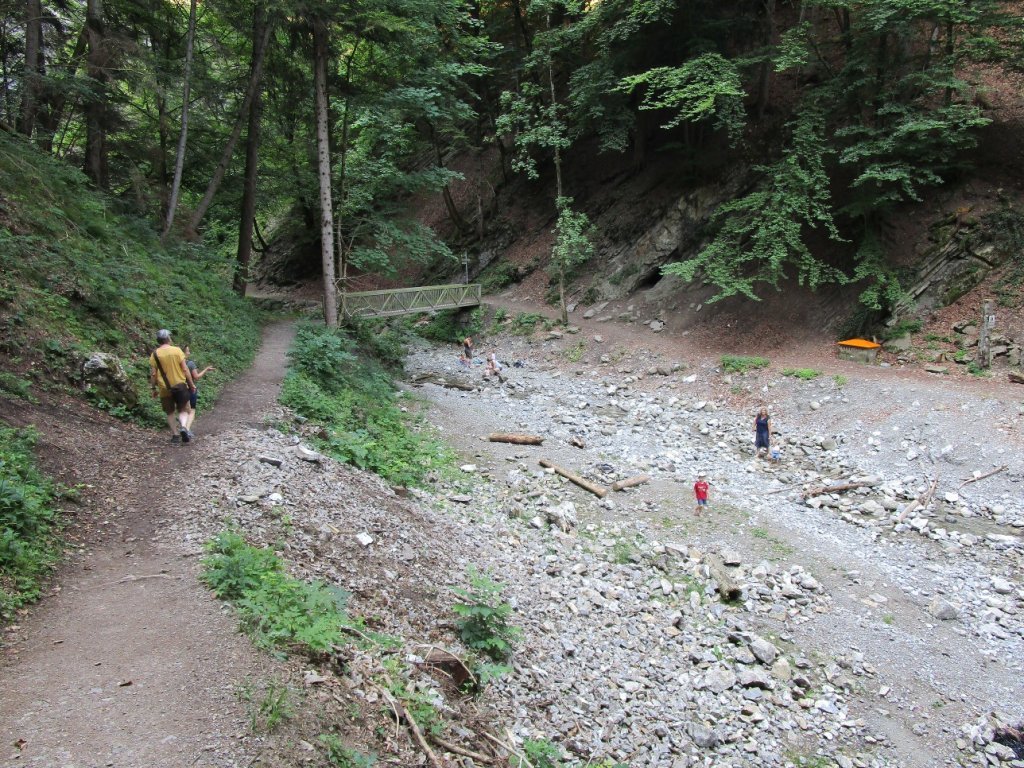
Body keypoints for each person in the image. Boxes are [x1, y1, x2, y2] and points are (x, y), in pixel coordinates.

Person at [149, 329, 196, 444]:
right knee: (183, 409)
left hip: (164, 388)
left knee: (170, 412)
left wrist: (153, 388)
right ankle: (184, 428)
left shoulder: (155, 354)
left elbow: (153, 374)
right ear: (168, 338)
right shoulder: (177, 351)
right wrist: (191, 384)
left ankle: (175, 436)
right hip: (180, 385)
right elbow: (185, 369)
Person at [183, 344, 215, 432]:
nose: (189, 353)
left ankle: (183, 427)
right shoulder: (190, 363)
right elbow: (196, 377)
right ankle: (186, 429)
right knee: (192, 410)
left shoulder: (175, 364)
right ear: (184, 353)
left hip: (180, 388)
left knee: (184, 410)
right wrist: (206, 370)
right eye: (188, 351)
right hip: (190, 389)